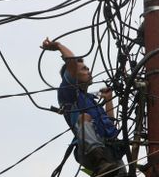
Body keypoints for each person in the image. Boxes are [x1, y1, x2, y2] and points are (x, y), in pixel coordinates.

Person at [41, 38, 126, 177]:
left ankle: (104, 165)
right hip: (88, 153)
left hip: (111, 151)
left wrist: (108, 99)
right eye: (84, 69)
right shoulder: (68, 93)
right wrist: (58, 46)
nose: (88, 70)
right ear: (72, 75)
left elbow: (110, 123)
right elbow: (72, 63)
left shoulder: (91, 100)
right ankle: (100, 162)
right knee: (84, 118)